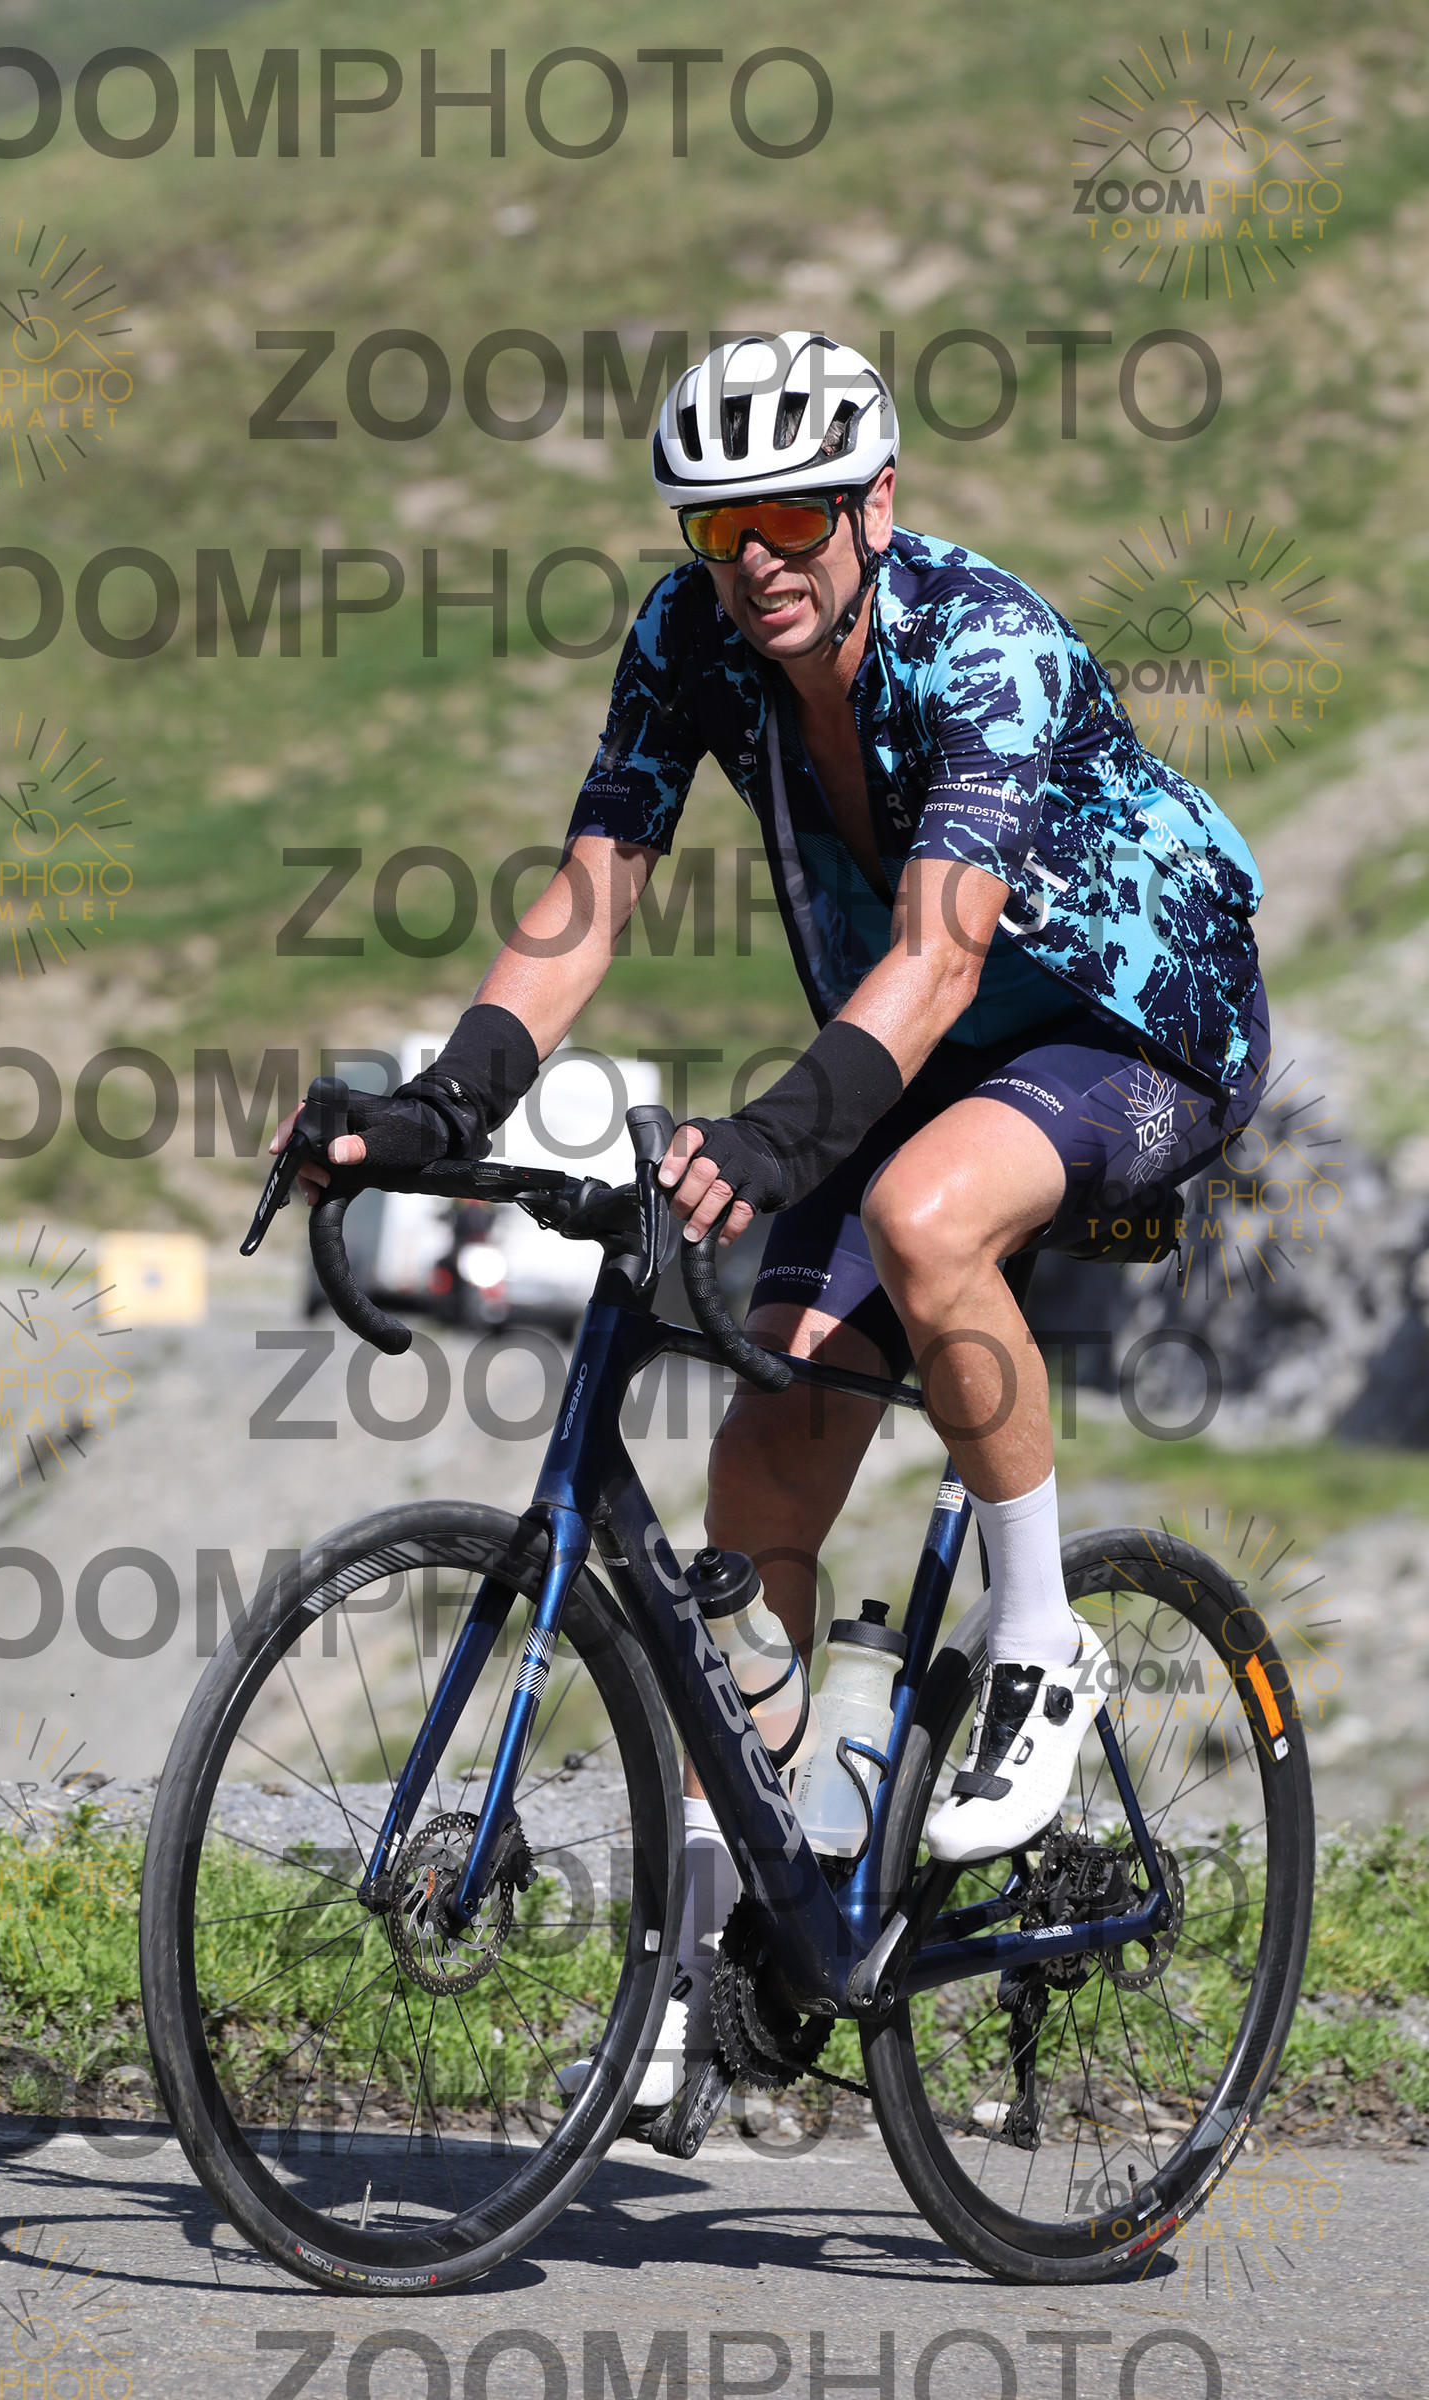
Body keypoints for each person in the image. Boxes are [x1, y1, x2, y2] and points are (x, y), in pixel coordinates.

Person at [273, 331, 1269, 2115]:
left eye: (794, 517)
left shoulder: (985, 641)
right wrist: (443, 1103)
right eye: (718, 528)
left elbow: (946, 951)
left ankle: (1040, 1643)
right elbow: (591, 894)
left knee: (922, 1211)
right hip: (921, 1053)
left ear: (875, 503)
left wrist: (775, 1133)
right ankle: (759, 1923)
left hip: (1136, 1023)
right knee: (765, 1455)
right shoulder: (691, 637)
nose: (758, 561)